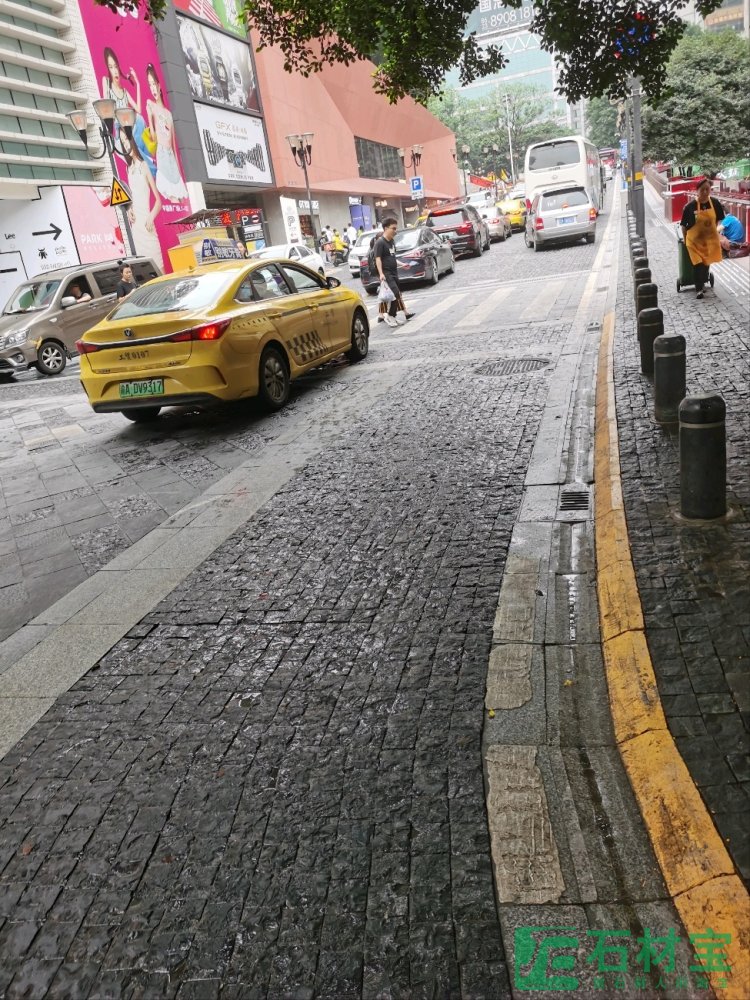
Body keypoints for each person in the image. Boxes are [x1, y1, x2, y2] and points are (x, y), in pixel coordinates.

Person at [120, 131, 164, 270]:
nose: (125, 144)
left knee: (158, 266)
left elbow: (158, 201)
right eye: (122, 142)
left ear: (132, 140)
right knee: (145, 269)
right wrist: (130, 210)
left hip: (146, 224)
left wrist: (151, 217)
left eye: (126, 139)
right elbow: (133, 197)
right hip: (136, 227)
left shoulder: (143, 165)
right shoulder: (128, 169)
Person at [146, 64, 188, 202]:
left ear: (159, 85)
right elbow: (153, 138)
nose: (153, 88)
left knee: (180, 197)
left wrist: (180, 172)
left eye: (154, 84)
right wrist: (150, 117)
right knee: (171, 195)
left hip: (171, 156)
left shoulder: (169, 114)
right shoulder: (151, 105)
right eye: (150, 85)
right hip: (162, 154)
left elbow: (174, 145)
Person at [680, 177, 725, 300]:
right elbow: (683, 226)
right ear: (697, 191)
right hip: (693, 242)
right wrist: (685, 240)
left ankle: (703, 282)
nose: (705, 192)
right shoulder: (690, 207)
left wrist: (713, 232)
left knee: (706, 263)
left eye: (707, 189)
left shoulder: (714, 203)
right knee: (698, 264)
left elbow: (718, 219)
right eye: (702, 190)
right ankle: (699, 289)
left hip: (708, 241)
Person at [373, 217, 414, 328]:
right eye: (393, 228)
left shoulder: (391, 241)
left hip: (394, 272)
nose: (395, 231)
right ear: (386, 228)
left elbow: (392, 257)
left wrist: (402, 264)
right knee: (395, 293)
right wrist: (381, 273)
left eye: (396, 228)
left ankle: (393, 316)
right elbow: (378, 259)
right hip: (386, 273)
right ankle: (389, 315)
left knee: (397, 294)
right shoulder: (380, 243)